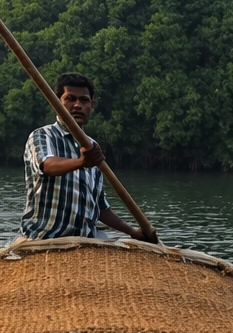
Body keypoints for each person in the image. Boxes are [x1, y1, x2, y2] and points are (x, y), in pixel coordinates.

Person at [20, 72, 158, 243]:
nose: (77, 105)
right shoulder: (43, 136)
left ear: (92, 105)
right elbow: (48, 166)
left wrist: (132, 231)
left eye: (84, 100)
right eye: (70, 99)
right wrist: (81, 162)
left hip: (84, 243)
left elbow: (99, 207)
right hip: (45, 239)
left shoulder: (92, 148)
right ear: (56, 103)